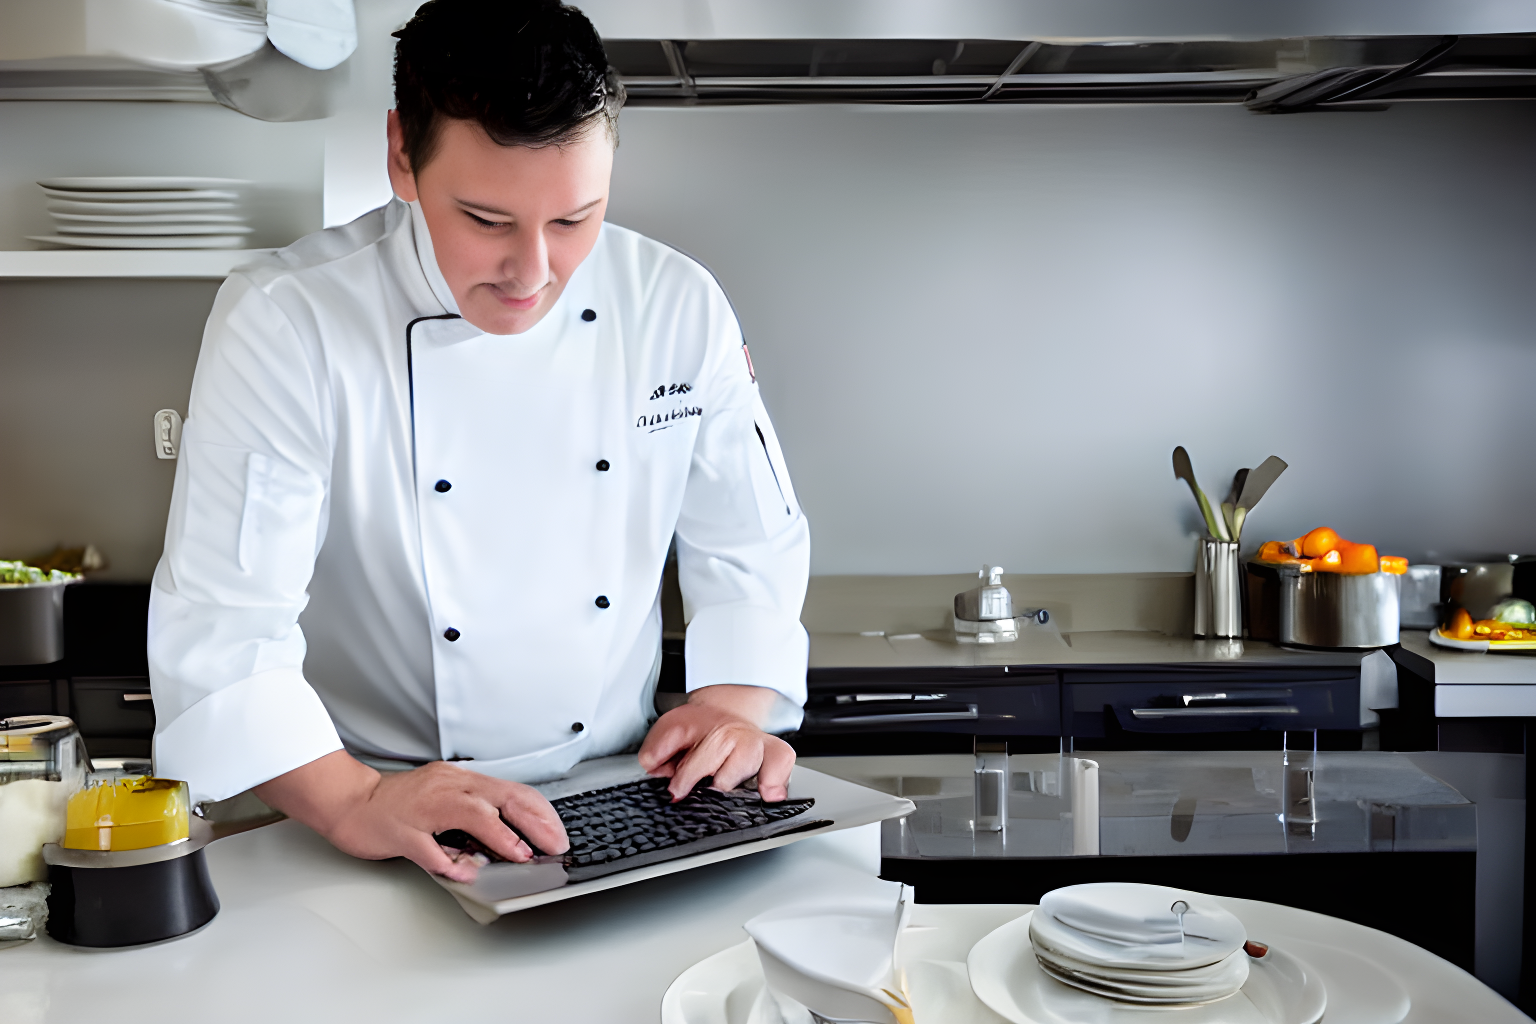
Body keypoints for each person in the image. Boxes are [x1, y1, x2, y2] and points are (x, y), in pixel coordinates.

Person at [147, 0, 809, 882]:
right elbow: (225, 629)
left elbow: (750, 543)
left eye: (576, 220)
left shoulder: (676, 306)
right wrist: (353, 802)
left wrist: (730, 706)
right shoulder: (288, 321)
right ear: (399, 157)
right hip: (372, 818)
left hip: (623, 804)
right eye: (488, 221)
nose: (532, 272)